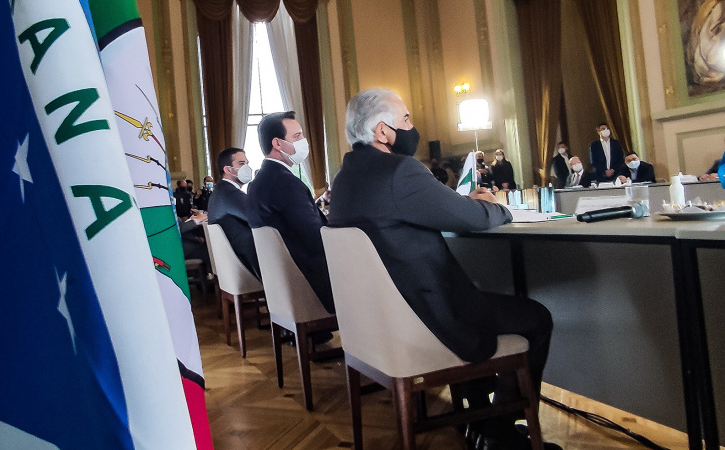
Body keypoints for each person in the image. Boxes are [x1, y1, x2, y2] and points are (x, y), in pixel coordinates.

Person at [329, 88, 557, 450]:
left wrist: (461, 204)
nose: (411, 127)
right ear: (382, 132)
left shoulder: (344, 179)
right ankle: (498, 432)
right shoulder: (400, 170)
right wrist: (496, 206)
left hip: (381, 323)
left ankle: (478, 419)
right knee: (536, 317)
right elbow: (474, 218)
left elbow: (429, 208)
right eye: (405, 120)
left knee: (480, 301)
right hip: (428, 317)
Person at [246, 111, 334, 313]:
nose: (304, 141)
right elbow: (316, 240)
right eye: (297, 136)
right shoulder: (286, 183)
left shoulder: (258, 183)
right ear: (277, 143)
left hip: (283, 280)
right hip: (310, 281)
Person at [208, 147, 260, 279]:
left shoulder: (220, 190)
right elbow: (258, 217)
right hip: (246, 263)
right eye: (241, 164)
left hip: (233, 263)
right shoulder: (230, 193)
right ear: (227, 169)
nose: (247, 167)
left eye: (247, 163)